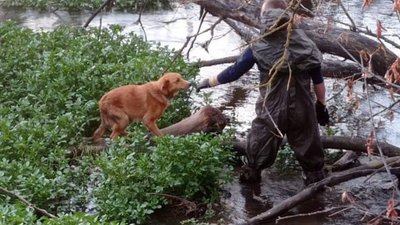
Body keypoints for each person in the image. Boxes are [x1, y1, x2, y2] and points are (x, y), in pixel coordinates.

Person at [196, 0, 329, 185]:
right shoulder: (307, 45)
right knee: (309, 146)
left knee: (259, 146)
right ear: (289, 18)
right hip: (303, 108)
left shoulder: (258, 46)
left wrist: (209, 82)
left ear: (265, 19)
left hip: (272, 110)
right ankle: (315, 191)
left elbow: (235, 71)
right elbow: (318, 81)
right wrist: (321, 105)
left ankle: (251, 188)